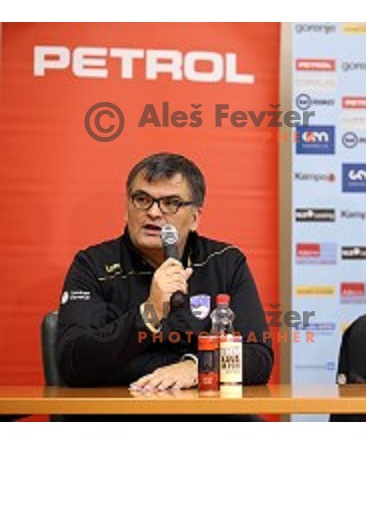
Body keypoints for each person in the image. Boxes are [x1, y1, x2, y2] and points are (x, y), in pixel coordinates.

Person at [57, 152, 273, 393]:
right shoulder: (93, 266)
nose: (154, 212)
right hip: (122, 415)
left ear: (194, 218)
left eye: (171, 203)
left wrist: (199, 367)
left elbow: (259, 356)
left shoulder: (225, 263)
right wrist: (150, 313)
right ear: (127, 208)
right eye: (141, 199)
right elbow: (73, 362)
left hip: (205, 416)